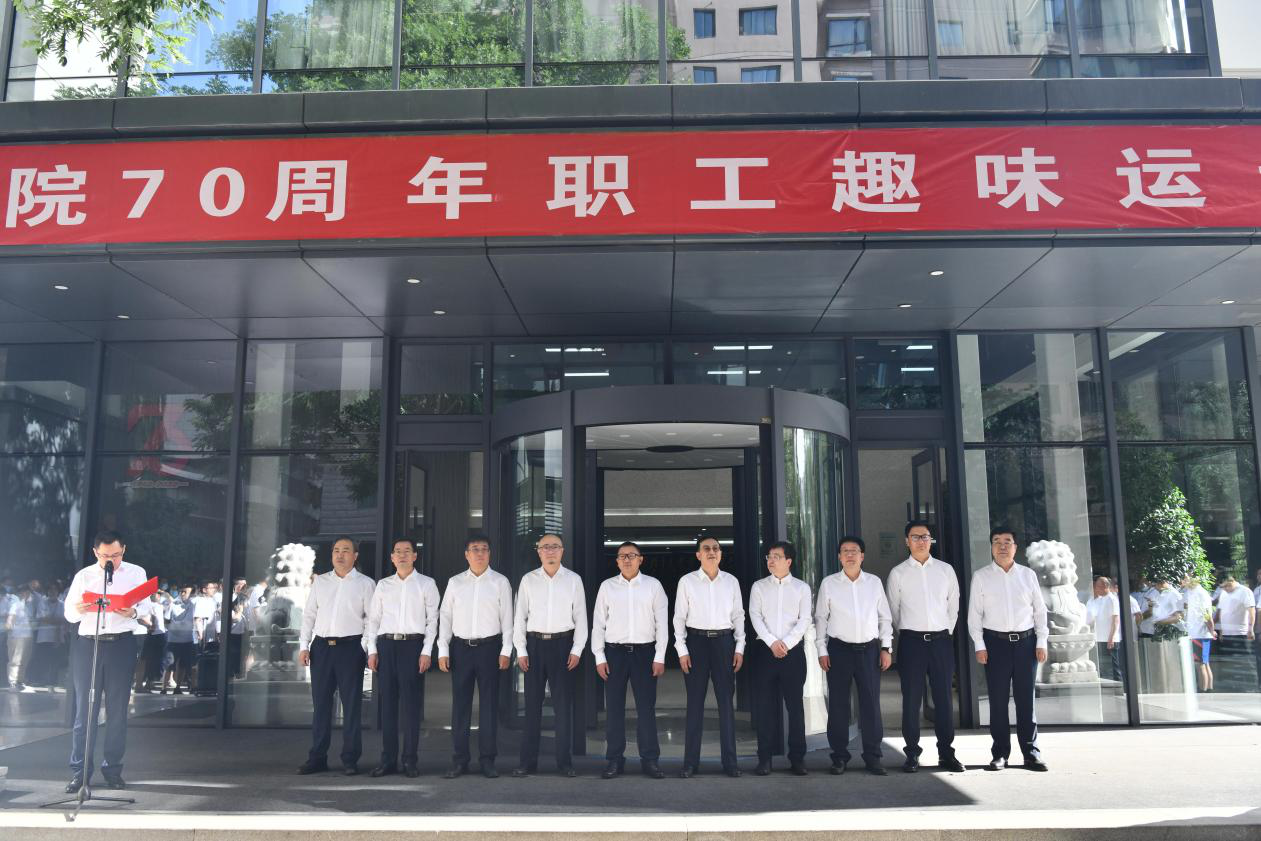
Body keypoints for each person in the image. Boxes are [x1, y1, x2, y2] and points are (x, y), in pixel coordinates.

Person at [63, 529, 147, 792]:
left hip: (121, 644)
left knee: (117, 711)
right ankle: (80, 772)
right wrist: (79, 609)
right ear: (95, 553)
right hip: (89, 645)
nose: (111, 560)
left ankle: (112, 769)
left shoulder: (136, 573)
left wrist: (133, 611)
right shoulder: (84, 576)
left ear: (124, 550)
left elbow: (146, 607)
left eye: (116, 555)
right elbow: (69, 614)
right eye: (105, 556)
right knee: (84, 711)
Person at [967, 526, 1048, 772]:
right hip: (995, 645)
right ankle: (1000, 753)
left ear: (1015, 547)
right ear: (991, 547)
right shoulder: (981, 576)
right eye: (997, 541)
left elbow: (1039, 611)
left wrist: (1041, 641)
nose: (1002, 546)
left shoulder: (1028, 575)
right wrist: (979, 645)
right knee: (998, 702)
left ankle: (1031, 753)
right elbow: (974, 615)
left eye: (1007, 541)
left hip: (1026, 644)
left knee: (1026, 701)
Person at [886, 521, 965, 774]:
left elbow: (953, 607)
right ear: (906, 541)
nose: (921, 541)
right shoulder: (898, 573)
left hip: (941, 642)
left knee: (943, 700)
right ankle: (911, 753)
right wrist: (910, 632)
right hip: (911, 643)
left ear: (931, 540)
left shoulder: (945, 570)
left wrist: (944, 632)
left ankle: (946, 753)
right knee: (911, 700)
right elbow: (893, 611)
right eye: (915, 537)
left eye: (925, 536)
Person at [296, 536, 375, 776]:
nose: (340, 555)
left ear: (355, 556)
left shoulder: (366, 584)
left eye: (346, 550)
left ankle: (350, 759)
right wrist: (304, 645)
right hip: (321, 648)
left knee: (351, 706)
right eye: (336, 550)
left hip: (350, 648)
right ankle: (317, 757)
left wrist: (364, 647)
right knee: (321, 705)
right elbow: (309, 615)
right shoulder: (321, 582)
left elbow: (371, 619)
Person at [438, 533, 513, 779]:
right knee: (460, 707)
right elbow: (445, 617)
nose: (480, 553)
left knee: (489, 706)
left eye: (484, 549)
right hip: (461, 649)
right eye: (475, 549)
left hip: (490, 649)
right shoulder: (455, 582)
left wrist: (506, 650)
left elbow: (508, 619)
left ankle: (487, 760)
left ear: (489, 553)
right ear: (466, 554)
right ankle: (459, 760)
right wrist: (443, 650)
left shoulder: (500, 582)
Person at [591, 540, 668, 780]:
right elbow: (598, 624)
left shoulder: (653, 586)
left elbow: (662, 624)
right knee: (614, 709)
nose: (627, 559)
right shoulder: (607, 587)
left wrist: (660, 655)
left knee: (646, 709)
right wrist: (599, 656)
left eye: (632, 555)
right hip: (614, 654)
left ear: (640, 559)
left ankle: (650, 760)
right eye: (622, 556)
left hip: (645, 654)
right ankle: (614, 759)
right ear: (616, 561)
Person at [815, 535, 892, 776]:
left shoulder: (874, 583)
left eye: (854, 551)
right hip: (839, 651)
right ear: (839, 557)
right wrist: (821, 649)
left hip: (869, 651)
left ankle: (873, 757)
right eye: (845, 551)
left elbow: (884, 617)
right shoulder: (829, 583)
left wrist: (886, 648)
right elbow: (821, 618)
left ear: (862, 556)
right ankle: (839, 757)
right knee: (838, 706)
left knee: (871, 705)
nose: (850, 555)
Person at [512, 533, 587, 778]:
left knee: (563, 709)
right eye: (546, 547)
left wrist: (576, 649)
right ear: (539, 551)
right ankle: (527, 763)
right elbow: (519, 617)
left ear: (562, 551)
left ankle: (564, 763)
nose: (550, 550)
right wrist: (521, 650)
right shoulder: (528, 580)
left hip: (563, 646)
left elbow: (581, 618)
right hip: (534, 647)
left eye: (555, 546)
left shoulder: (573, 580)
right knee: (532, 707)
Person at [365, 539, 439, 778]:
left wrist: (426, 651)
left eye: (407, 551)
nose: (403, 555)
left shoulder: (427, 584)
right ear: (392, 557)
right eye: (398, 552)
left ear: (415, 556)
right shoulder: (383, 585)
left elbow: (432, 621)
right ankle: (388, 761)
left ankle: (409, 761)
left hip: (413, 647)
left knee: (411, 706)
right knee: (388, 707)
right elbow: (373, 620)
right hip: (386, 646)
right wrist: (372, 650)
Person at [674, 535, 746, 779]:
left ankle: (730, 763)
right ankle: (690, 763)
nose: (712, 551)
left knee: (726, 704)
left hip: (724, 643)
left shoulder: (731, 582)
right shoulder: (687, 581)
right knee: (694, 704)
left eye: (716, 548)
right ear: (698, 555)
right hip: (696, 644)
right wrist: (682, 650)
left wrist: (739, 647)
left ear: (721, 554)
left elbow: (738, 615)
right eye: (706, 548)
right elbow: (679, 618)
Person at [747, 540, 811, 776]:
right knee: (764, 708)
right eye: (769, 557)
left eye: (776, 556)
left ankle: (797, 759)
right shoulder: (759, 587)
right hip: (766, 652)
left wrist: (787, 643)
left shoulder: (802, 588)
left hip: (793, 653)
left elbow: (805, 620)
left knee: (795, 708)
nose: (771, 560)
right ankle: (765, 759)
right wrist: (772, 642)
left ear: (788, 561)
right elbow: (755, 616)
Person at [1214, 573, 1257, 691]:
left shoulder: (1245, 591)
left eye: (1226, 586)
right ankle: (1235, 686)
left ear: (1231, 581)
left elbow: (1251, 611)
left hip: (1241, 633)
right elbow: (1222, 612)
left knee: (1245, 660)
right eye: (1222, 587)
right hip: (1227, 633)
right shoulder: (1223, 593)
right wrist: (1221, 631)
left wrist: (1250, 629)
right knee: (1230, 661)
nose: (1225, 589)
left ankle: (1252, 686)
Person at [1181, 575, 1215, 692]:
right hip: (1201, 633)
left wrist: (1211, 630)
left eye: (1184, 579)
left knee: (1200, 663)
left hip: (1198, 633)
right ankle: (1209, 688)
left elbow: (1207, 615)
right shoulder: (1195, 592)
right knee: (1205, 662)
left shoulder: (1198, 593)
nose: (1182, 581)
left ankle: (1203, 689)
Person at [1086, 575, 1121, 682]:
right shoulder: (1099, 600)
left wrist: (1112, 638)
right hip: (1100, 637)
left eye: (1097, 586)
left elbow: (1115, 619)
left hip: (1109, 639)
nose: (1095, 589)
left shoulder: (1112, 599)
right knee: (1104, 667)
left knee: (1114, 667)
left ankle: (1118, 686)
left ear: (1105, 586)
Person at [165, 586, 196, 694]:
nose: (183, 594)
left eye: (186, 592)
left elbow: (189, 621)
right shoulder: (172, 604)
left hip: (187, 639)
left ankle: (177, 687)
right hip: (173, 639)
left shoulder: (192, 605)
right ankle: (164, 688)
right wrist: (173, 628)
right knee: (170, 664)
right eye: (182, 591)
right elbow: (166, 619)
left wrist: (174, 625)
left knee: (183, 664)